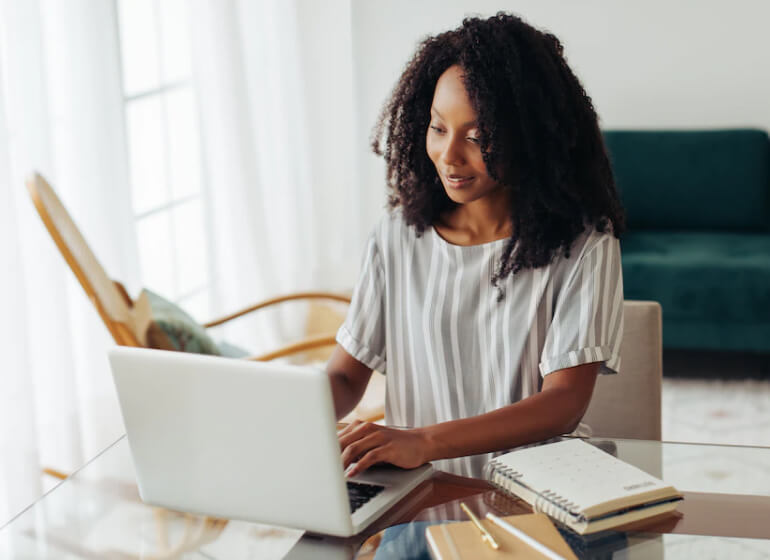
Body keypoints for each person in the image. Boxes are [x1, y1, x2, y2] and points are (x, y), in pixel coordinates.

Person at [329, 12, 626, 478]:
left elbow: (562, 404)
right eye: (438, 127)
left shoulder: (584, 245)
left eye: (477, 136)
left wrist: (422, 440)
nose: (449, 156)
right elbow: (346, 377)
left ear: (530, 139)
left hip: (536, 497)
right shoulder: (397, 236)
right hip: (418, 495)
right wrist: (283, 412)